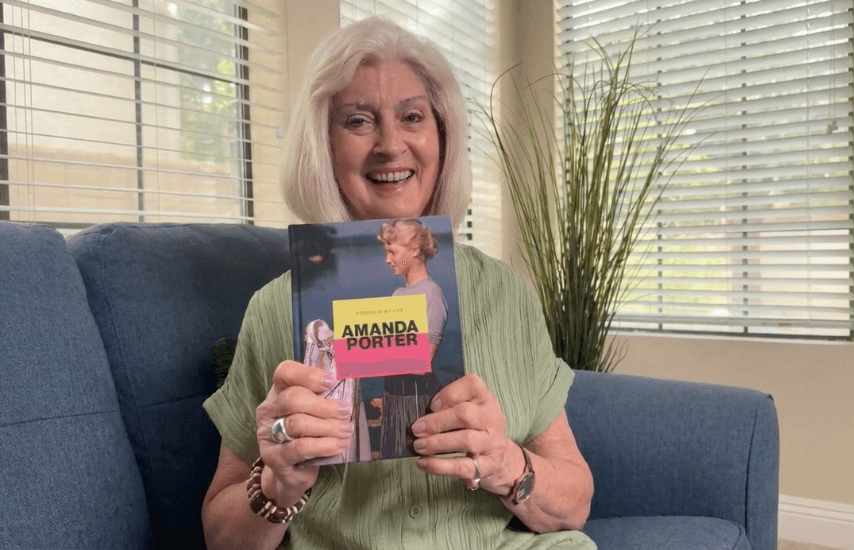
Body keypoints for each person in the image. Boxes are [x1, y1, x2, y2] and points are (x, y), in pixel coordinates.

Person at [201, 17, 595, 550]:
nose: (391, 144)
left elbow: (574, 504)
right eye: (358, 121)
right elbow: (220, 537)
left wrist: (505, 463)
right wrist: (277, 484)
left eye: (412, 116)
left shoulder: (506, 293)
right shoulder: (277, 308)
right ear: (324, 146)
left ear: (442, 138)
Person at [375, 218, 447, 458]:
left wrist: (372, 358)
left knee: (407, 456)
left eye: (392, 252)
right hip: (393, 393)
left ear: (415, 250)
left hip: (415, 397)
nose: (387, 260)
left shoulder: (431, 295)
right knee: (389, 454)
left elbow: (422, 361)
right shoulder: (398, 294)